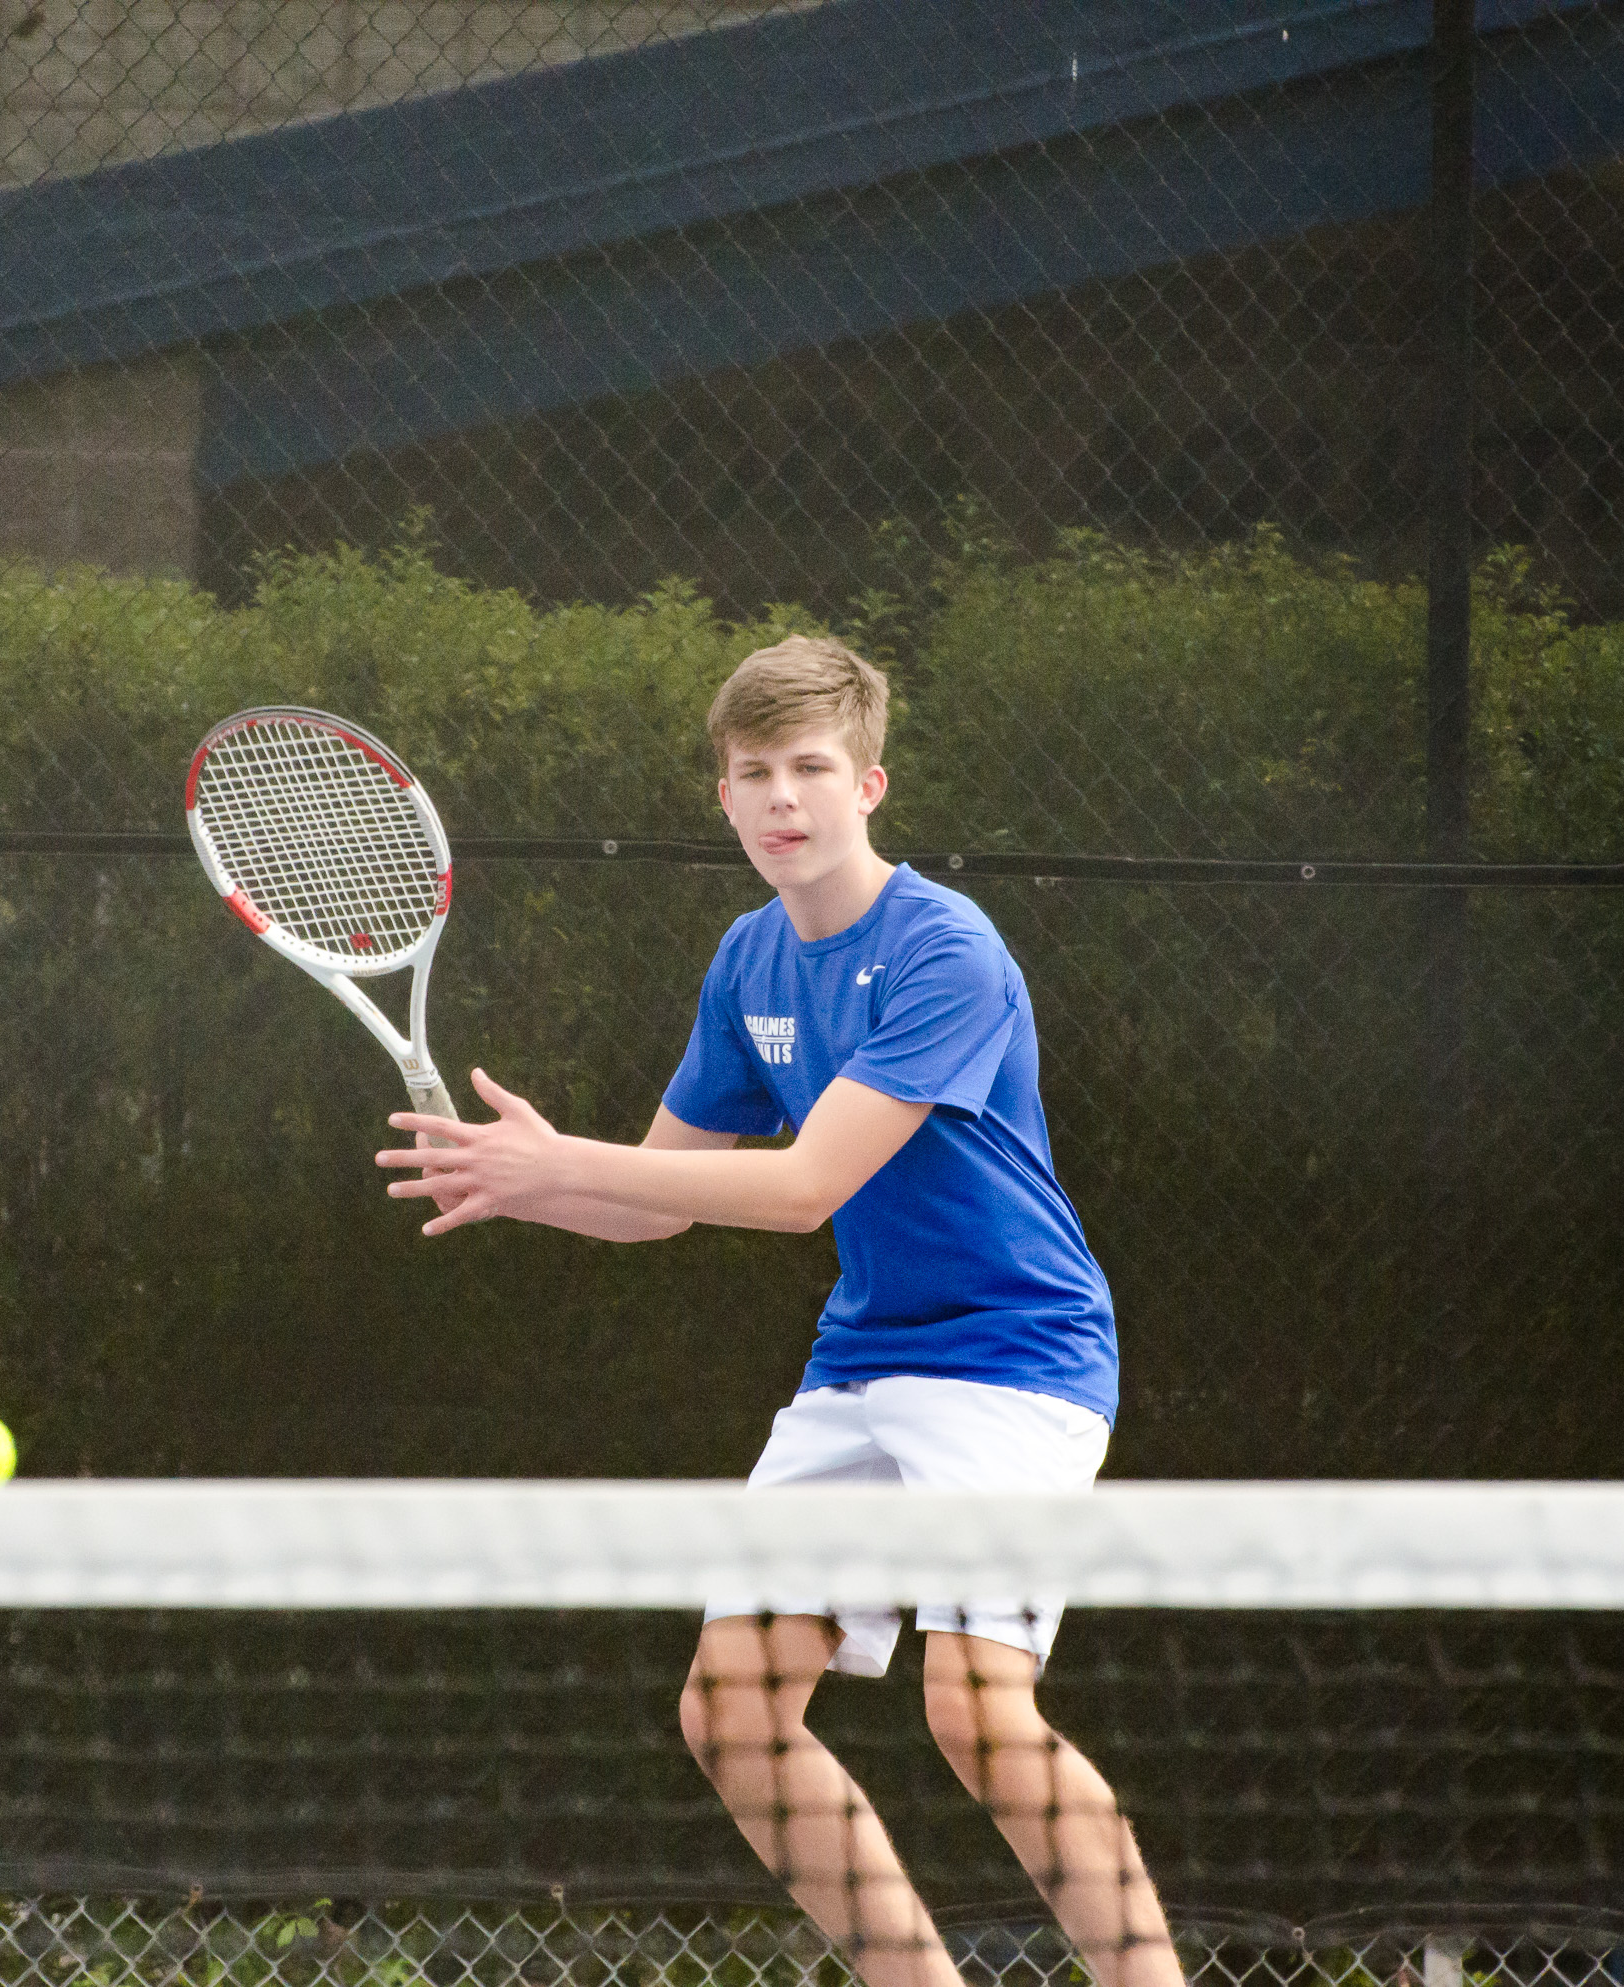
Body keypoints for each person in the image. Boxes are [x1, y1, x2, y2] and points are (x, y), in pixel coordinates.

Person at [374, 636, 1183, 1987]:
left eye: (811, 767)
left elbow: (808, 1187)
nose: (783, 797)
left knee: (978, 1715)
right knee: (736, 1713)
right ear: (726, 800)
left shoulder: (945, 950)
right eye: (754, 773)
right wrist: (515, 1184)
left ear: (869, 785)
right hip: (865, 1359)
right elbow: (661, 1199)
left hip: (1018, 1358)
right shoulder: (750, 964)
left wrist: (559, 1158)